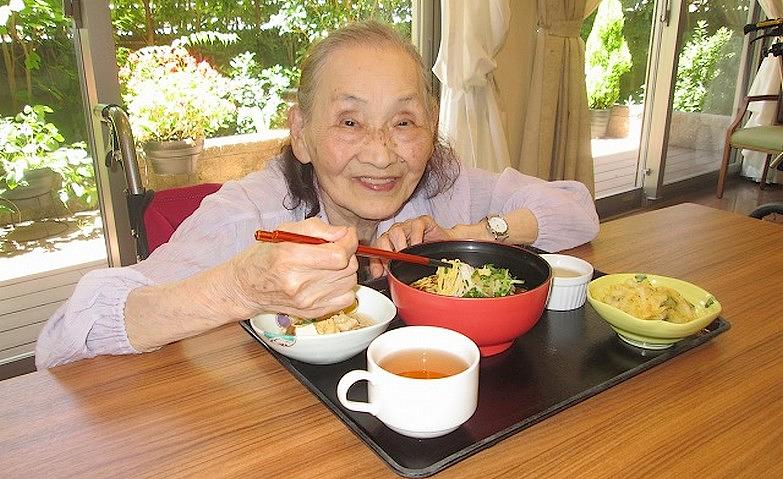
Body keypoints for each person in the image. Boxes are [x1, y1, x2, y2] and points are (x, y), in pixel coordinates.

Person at [35, 21, 599, 369]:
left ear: (430, 130)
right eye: (349, 123)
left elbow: (578, 208)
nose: (381, 154)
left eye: (405, 123)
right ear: (300, 132)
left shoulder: (442, 185)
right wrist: (239, 288)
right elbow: (65, 336)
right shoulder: (252, 214)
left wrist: (470, 235)